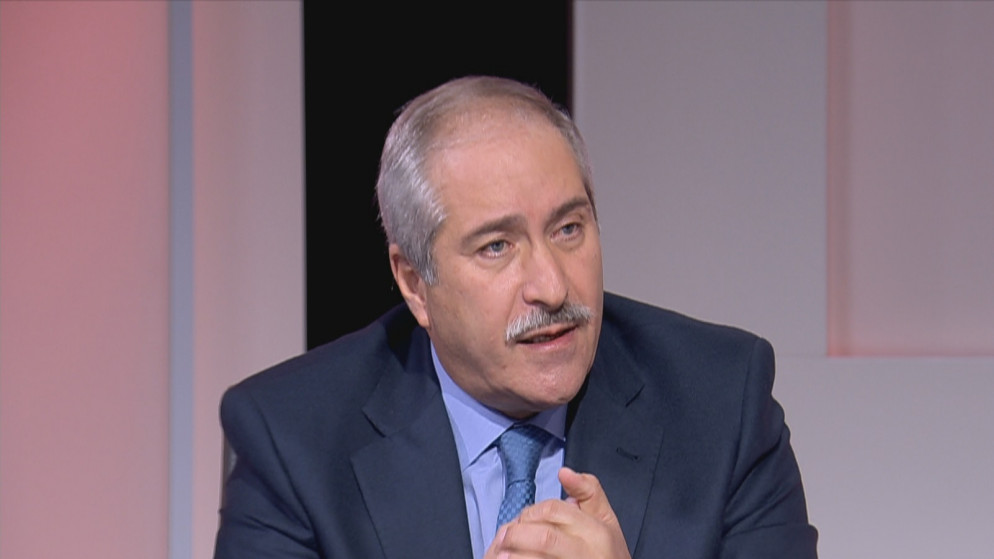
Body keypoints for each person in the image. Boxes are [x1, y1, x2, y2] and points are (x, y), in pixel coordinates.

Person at [214, 76, 818, 559]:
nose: (552, 287)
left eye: (568, 229)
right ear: (414, 282)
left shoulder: (720, 401)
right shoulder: (291, 438)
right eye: (497, 246)